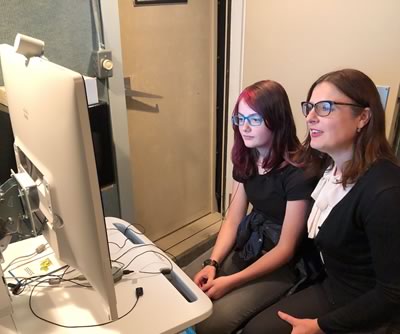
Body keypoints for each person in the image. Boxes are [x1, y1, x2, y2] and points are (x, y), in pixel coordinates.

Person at [242, 69, 400, 334]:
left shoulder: (385, 192)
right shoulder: (326, 164)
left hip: (368, 309)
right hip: (333, 284)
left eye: (325, 107)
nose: (310, 117)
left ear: (363, 117)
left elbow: (393, 294)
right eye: (309, 107)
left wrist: (320, 326)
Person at [184, 80, 319, 334]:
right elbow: (233, 220)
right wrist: (212, 263)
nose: (244, 127)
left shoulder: (299, 172)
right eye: (239, 118)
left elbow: (286, 249)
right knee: (180, 282)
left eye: (254, 119)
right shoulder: (247, 157)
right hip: (252, 242)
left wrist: (231, 282)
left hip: (282, 261)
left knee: (215, 321)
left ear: (276, 120)